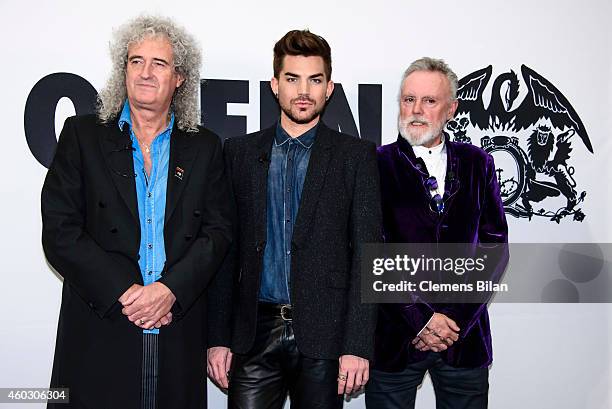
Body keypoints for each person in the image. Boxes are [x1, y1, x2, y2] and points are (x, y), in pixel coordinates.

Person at [41, 15, 233, 409]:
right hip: (101, 325)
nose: (145, 73)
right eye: (135, 61)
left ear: (179, 77)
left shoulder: (206, 147)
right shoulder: (82, 135)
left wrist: (169, 291)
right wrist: (126, 294)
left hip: (176, 330)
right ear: (124, 69)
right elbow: (60, 231)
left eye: (159, 63)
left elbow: (218, 232)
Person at [206, 29, 381, 408]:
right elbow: (224, 253)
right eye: (292, 79)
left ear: (329, 88)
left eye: (314, 80)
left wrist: (357, 345)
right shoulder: (238, 153)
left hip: (326, 336)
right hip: (254, 334)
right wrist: (218, 337)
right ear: (275, 85)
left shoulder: (356, 157)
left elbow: (369, 256)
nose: (303, 90)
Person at [365, 57, 508, 409]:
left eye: (429, 101)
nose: (416, 109)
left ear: (451, 109)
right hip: (395, 338)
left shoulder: (478, 162)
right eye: (408, 99)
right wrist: (420, 319)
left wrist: (454, 320)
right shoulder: (374, 164)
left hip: (465, 339)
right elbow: (371, 250)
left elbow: (494, 248)